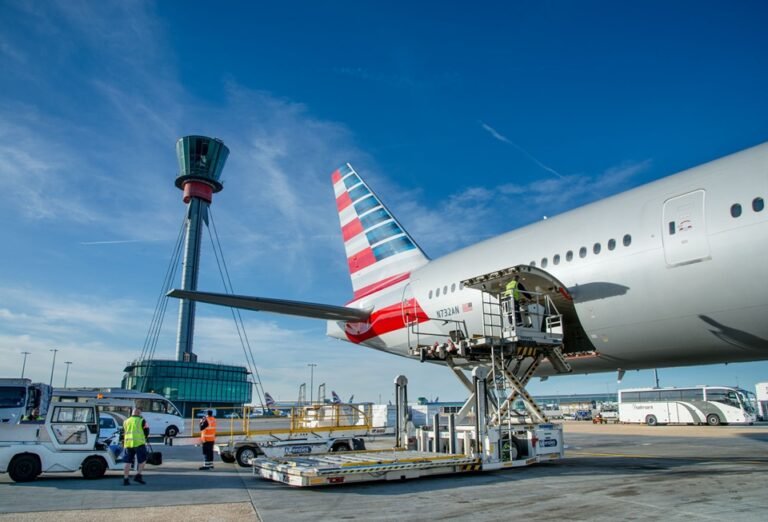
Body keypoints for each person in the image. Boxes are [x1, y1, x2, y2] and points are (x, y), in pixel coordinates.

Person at [122, 407, 150, 485]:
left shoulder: (126, 421)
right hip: (139, 443)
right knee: (143, 460)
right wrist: (145, 438)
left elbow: (124, 431)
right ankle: (138, 475)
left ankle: (126, 479)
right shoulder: (142, 420)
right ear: (139, 413)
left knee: (128, 462)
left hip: (128, 443)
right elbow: (147, 431)